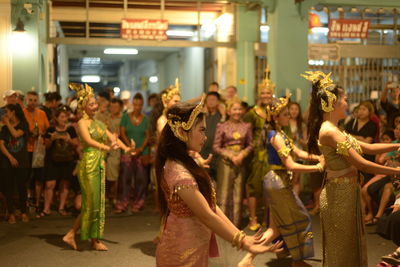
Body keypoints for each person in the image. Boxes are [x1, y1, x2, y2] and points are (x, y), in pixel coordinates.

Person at [155, 99, 283, 266]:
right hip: (181, 251)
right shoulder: (179, 173)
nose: (204, 137)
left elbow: (211, 207)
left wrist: (241, 236)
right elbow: (207, 215)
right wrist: (243, 242)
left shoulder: (187, 162)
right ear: (181, 132)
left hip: (193, 244)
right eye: (201, 130)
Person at [305, 71, 400, 267]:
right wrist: (398, 172)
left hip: (346, 191)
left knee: (350, 246)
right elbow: (363, 164)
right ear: (332, 103)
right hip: (338, 194)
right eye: (345, 99)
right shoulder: (330, 132)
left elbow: (369, 148)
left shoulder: (336, 129)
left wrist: (397, 145)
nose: (348, 104)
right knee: (341, 250)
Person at [240, 95, 324, 267]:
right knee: (302, 219)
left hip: (277, 182)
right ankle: (298, 261)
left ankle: (247, 259)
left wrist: (320, 157)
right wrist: (318, 167)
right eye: (285, 114)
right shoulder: (276, 136)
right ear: (275, 117)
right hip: (277, 183)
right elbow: (291, 165)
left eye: (288, 113)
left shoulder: (281, 134)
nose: (289, 116)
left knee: (274, 229)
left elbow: (299, 153)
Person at [62, 83, 135, 251]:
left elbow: (112, 138)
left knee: (98, 204)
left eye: (95, 103)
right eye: (92, 104)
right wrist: (106, 148)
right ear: (83, 106)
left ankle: (94, 240)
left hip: (100, 164)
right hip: (88, 164)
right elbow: (88, 141)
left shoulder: (98, 123)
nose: (96, 107)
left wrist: (128, 149)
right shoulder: (82, 123)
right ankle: (72, 233)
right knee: (90, 204)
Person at [213, 98, 253, 227]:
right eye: (234, 109)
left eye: (239, 109)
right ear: (229, 111)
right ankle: (222, 225)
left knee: (238, 193)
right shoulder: (221, 126)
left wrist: (242, 154)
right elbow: (216, 146)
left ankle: (235, 225)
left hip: (240, 162)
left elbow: (250, 145)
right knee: (223, 193)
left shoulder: (246, 126)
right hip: (226, 163)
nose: (237, 111)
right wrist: (231, 156)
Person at [243, 70, 274, 231]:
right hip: (257, 155)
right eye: (263, 93)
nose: (265, 95)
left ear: (272, 93)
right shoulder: (252, 113)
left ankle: (268, 219)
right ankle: (253, 218)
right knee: (254, 186)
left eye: (268, 92)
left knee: (271, 187)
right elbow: (244, 133)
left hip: (274, 153)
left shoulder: (277, 110)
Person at [115, 93, 150, 213]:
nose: (137, 107)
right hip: (128, 151)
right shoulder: (125, 117)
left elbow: (147, 136)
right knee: (125, 179)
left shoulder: (145, 119)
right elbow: (122, 132)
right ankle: (122, 204)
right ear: (132, 104)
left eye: (140, 105)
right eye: (135, 104)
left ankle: (138, 204)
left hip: (141, 152)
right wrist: (129, 146)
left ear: (142, 105)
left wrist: (140, 149)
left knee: (141, 179)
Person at [43, 106, 79, 216]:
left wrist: (68, 140)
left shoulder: (70, 129)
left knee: (65, 184)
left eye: (66, 117)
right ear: (56, 118)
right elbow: (46, 146)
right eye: (62, 117)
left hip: (67, 160)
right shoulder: (51, 130)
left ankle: (61, 207)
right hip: (52, 160)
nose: (64, 119)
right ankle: (46, 208)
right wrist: (52, 139)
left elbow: (76, 144)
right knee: (50, 184)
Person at [0, 104, 30, 224]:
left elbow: (16, 135)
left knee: (22, 187)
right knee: (9, 188)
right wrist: (10, 157)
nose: (5, 114)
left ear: (13, 112)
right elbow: (1, 144)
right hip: (7, 161)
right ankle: (11, 213)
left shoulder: (23, 125)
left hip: (22, 161)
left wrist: (6, 122)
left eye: (7, 111)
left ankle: (23, 212)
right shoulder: (4, 128)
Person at [23, 91, 50, 213]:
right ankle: (28, 200)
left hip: (40, 150)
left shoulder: (42, 113)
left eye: (34, 100)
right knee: (27, 176)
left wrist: (41, 133)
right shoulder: (22, 113)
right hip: (27, 149)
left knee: (39, 177)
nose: (32, 102)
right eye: (30, 100)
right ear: (26, 101)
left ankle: (38, 202)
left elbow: (47, 129)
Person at [200, 92, 223, 180]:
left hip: (218, 155)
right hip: (203, 153)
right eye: (208, 99)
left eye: (213, 99)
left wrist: (224, 115)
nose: (210, 102)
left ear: (218, 102)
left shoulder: (222, 115)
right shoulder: (202, 115)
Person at [105, 98, 123, 205]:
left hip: (118, 148)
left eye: (115, 107)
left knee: (115, 174)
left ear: (120, 107)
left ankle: (115, 196)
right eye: (111, 107)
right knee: (107, 173)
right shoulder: (107, 118)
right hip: (108, 148)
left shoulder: (122, 119)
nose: (113, 109)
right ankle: (108, 195)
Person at [288, 102, 307, 196]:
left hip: (299, 155)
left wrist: (298, 139)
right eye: (292, 109)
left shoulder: (302, 125)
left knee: (296, 179)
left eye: (296, 109)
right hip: (287, 155)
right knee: (287, 180)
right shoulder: (284, 122)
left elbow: (306, 142)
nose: (294, 111)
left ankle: (295, 202)